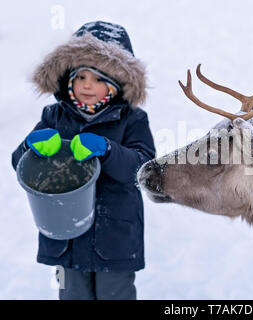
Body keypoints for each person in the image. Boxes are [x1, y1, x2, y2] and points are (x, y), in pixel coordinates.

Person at [11, 21, 156, 300]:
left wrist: (108, 149)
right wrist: (30, 146)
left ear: (117, 84)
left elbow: (143, 170)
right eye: (81, 77)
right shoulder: (54, 116)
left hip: (114, 239)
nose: (88, 85)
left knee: (115, 295)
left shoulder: (132, 120)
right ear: (69, 79)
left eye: (100, 79)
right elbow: (21, 164)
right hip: (65, 237)